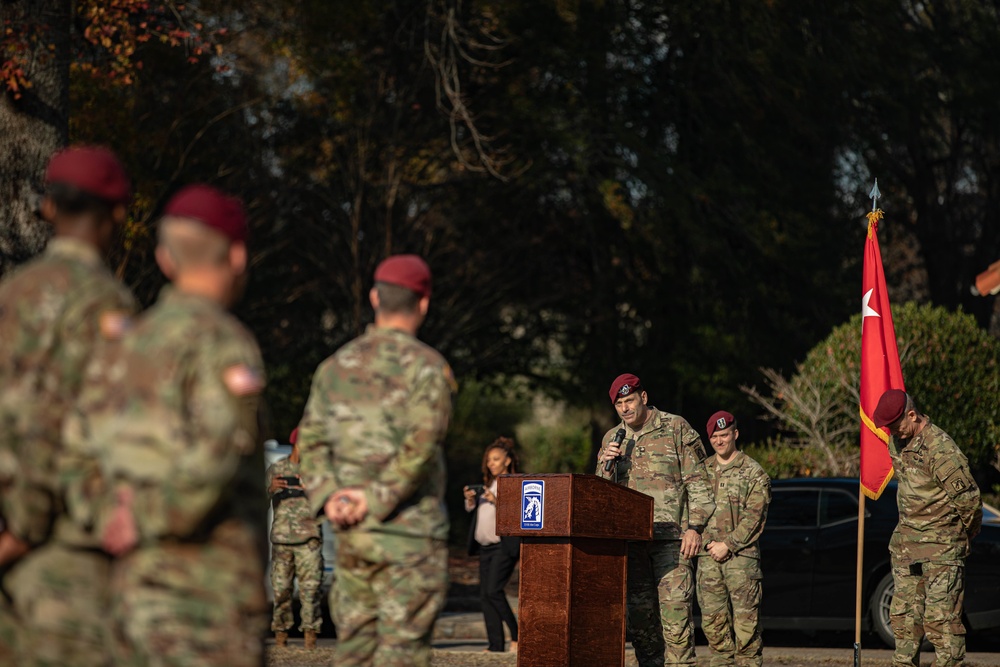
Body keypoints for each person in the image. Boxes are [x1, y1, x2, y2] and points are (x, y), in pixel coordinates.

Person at [74, 184, 269, 666]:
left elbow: (76, 447)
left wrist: (110, 517)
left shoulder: (122, 344)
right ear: (238, 255)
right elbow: (218, 452)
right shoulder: (224, 343)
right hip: (207, 598)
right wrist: (147, 518)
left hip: (129, 593)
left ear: (164, 258)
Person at [0, 145, 136, 665]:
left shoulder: (12, 293)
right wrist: (27, 526)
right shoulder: (107, 304)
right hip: (61, 545)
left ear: (49, 209)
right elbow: (84, 422)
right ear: (118, 214)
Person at [297, 254, 455, 667]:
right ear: (423, 302)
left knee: (353, 652)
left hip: (354, 536)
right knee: (402, 656)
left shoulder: (333, 369)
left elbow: (310, 443)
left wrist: (330, 497)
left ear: (373, 298)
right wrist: (376, 497)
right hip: (410, 540)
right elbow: (420, 447)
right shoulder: (428, 369)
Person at [596, 373, 715, 667]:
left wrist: (695, 528)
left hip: (672, 543)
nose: (625, 408)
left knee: (676, 625)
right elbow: (601, 495)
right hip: (632, 544)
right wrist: (605, 467)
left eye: (630, 400)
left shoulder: (675, 427)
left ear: (644, 398)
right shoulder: (612, 438)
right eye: (619, 404)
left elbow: (699, 482)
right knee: (641, 626)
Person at [872, 389, 982, 667]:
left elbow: (970, 502)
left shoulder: (941, 450)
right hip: (906, 549)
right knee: (904, 621)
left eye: (896, 427)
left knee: (941, 624)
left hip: (942, 552)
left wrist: (956, 539)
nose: (894, 433)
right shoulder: (898, 443)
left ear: (912, 415)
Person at [695, 411, 770, 667]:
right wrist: (707, 544)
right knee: (714, 629)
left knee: (747, 634)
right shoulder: (701, 471)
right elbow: (691, 511)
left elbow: (755, 517)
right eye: (714, 436)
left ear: (735, 434)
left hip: (742, 562)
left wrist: (727, 544)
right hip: (708, 561)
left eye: (724, 435)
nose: (719, 441)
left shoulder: (754, 472)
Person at [463, 436, 520, 653]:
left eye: (496, 459)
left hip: (503, 547)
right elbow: (476, 512)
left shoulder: (514, 483)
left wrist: (497, 501)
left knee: (494, 591)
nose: (491, 464)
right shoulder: (490, 483)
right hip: (484, 546)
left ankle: (517, 635)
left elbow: (517, 513)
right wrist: (470, 499)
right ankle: (495, 645)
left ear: (507, 460)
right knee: (485, 595)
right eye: (489, 460)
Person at [267, 427, 323, 649]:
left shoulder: (318, 471)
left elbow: (331, 504)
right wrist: (271, 488)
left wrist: (313, 490)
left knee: (311, 591)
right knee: (281, 591)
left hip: (309, 540)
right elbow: (255, 498)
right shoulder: (278, 468)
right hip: (282, 540)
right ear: (295, 443)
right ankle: (281, 636)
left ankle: (310, 639)